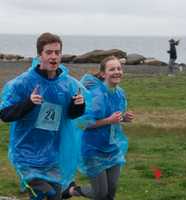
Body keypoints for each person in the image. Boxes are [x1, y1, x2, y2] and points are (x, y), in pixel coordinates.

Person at [0, 32, 86, 200]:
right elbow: (4, 114)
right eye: (49, 52)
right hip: (26, 153)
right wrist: (29, 102)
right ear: (40, 55)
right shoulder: (23, 83)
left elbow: (70, 115)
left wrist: (79, 105)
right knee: (47, 193)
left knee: (54, 196)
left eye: (57, 52)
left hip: (51, 153)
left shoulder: (66, 84)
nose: (54, 57)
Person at [65, 56, 134, 200]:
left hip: (112, 147)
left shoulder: (120, 93)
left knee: (111, 191)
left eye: (119, 69)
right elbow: (82, 123)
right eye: (112, 69)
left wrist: (123, 118)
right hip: (93, 150)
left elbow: (115, 118)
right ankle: (71, 190)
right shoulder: (96, 96)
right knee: (100, 193)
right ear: (103, 74)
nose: (117, 72)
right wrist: (109, 120)